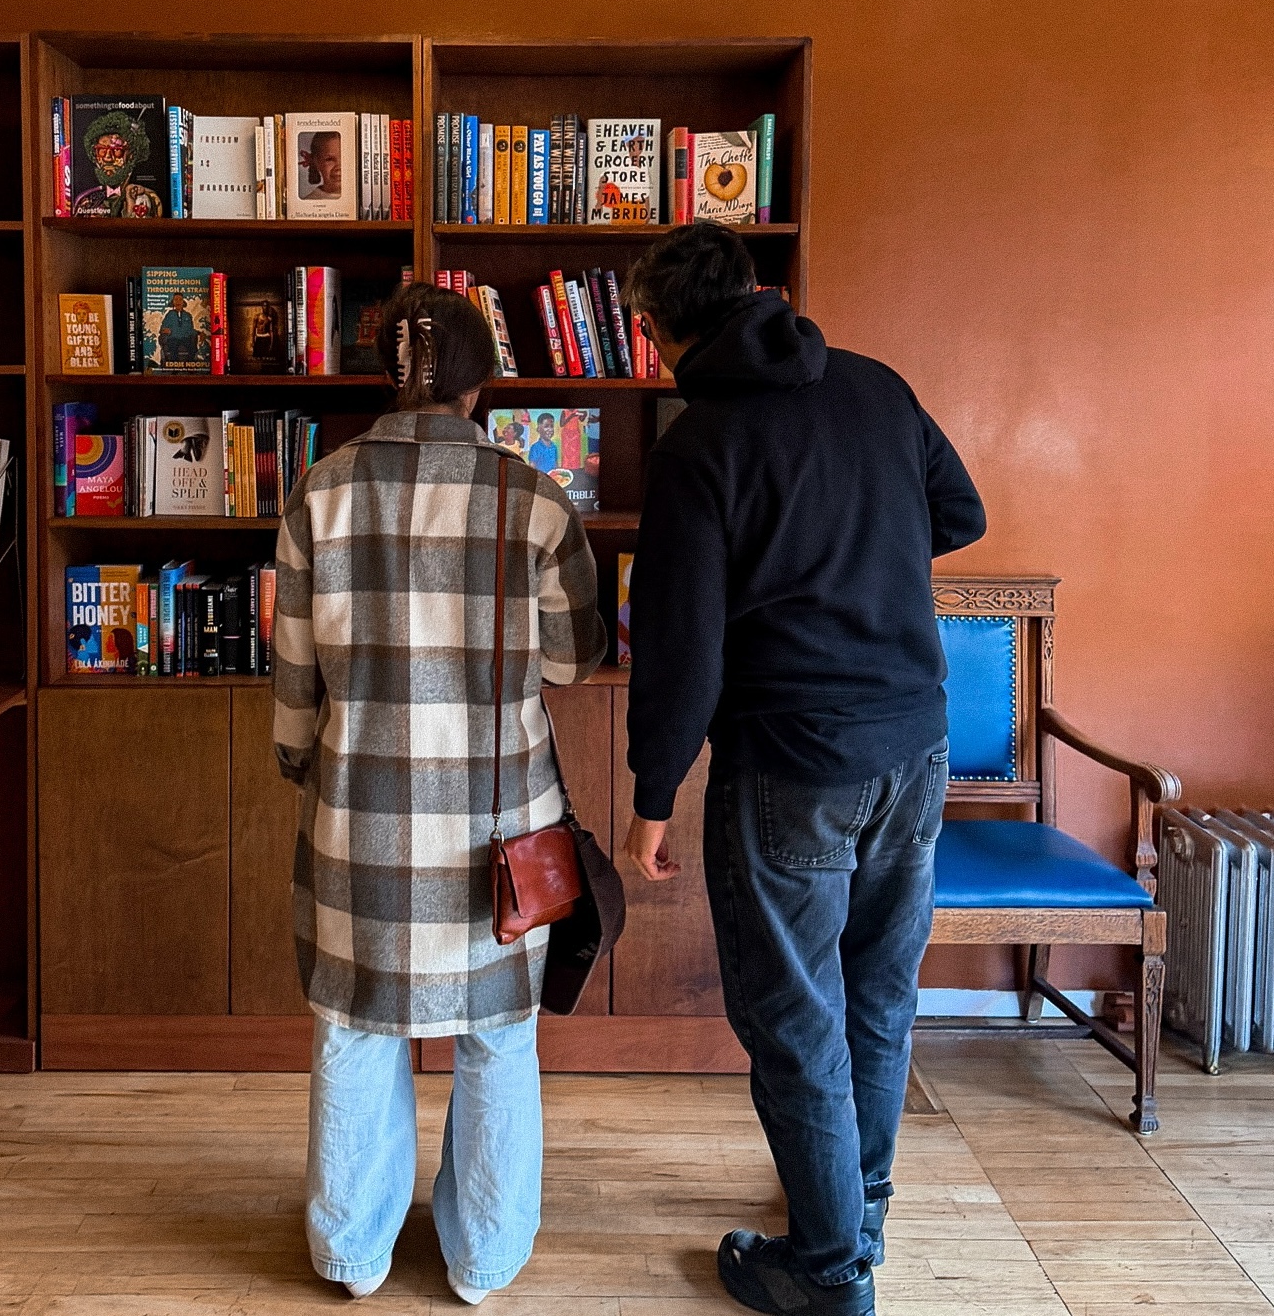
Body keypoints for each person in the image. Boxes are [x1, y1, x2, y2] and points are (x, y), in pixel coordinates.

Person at [619, 223, 986, 1316]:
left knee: (794, 1015)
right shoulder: (874, 387)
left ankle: (827, 1272)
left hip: (791, 761)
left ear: (659, 331)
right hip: (915, 746)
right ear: (758, 291)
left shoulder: (700, 443)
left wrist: (651, 795)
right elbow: (960, 511)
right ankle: (856, 1219)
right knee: (876, 997)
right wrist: (858, 550)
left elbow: (680, 645)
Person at [273, 282, 607, 1305]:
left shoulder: (316, 492)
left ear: (386, 373)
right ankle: (482, 1259)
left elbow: (294, 676)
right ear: (479, 382)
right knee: (496, 1036)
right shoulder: (535, 497)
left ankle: (353, 1255)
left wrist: (302, 760)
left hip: (357, 818)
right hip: (498, 829)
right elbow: (573, 660)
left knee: (354, 1028)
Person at [300, 130, 343, 199]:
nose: (339, 166)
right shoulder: (310, 201)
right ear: (317, 162)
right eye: (329, 159)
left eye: (345, 157)